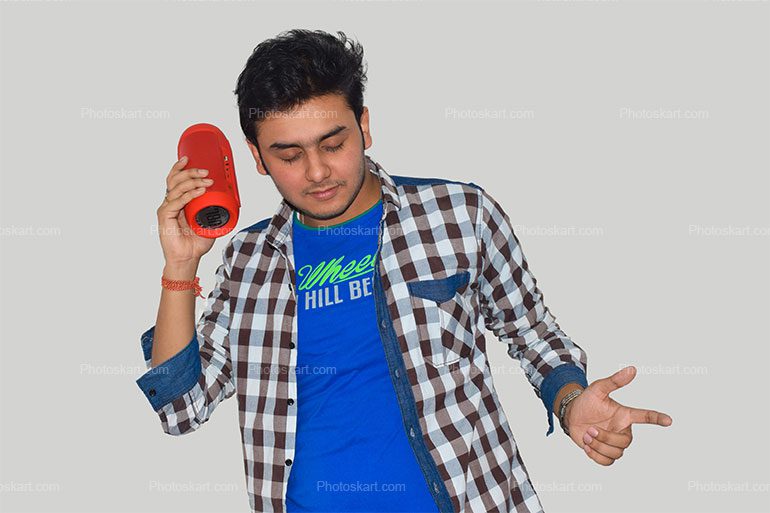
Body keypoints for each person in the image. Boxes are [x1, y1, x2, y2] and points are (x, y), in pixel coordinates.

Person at [136, 29, 673, 513]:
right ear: (257, 158)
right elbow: (181, 406)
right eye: (289, 155)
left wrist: (572, 398)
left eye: (334, 142)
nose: (318, 171)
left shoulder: (459, 213)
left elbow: (529, 329)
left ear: (364, 125)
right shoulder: (248, 261)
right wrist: (180, 268)